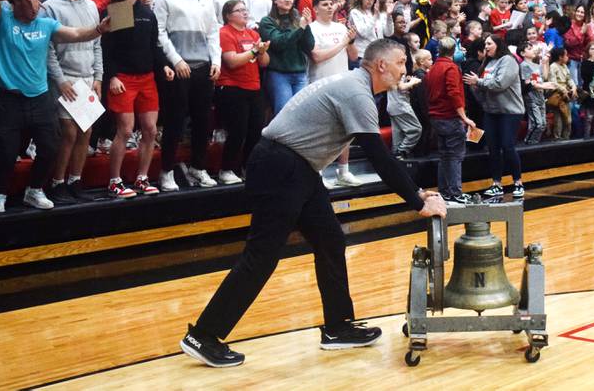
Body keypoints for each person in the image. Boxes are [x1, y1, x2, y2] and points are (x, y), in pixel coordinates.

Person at [180, 38, 447, 368]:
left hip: (298, 167)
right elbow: (379, 157)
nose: (404, 69)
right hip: (281, 165)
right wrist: (417, 200)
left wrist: (417, 194)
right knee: (261, 255)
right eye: (401, 63)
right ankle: (203, 335)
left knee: (330, 239)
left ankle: (337, 327)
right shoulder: (356, 91)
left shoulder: (355, 85)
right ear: (381, 65)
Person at [0, 0, 111, 213]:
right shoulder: (3, 21)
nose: (37, 8)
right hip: (10, 98)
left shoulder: (45, 24)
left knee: (50, 147)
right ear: (17, 2)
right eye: (33, 3)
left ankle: (35, 190)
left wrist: (99, 29)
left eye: (39, 3)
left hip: (40, 98)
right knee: (8, 151)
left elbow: (77, 33)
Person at [153, 0, 221, 192]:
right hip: (179, 68)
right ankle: (166, 171)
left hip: (203, 66)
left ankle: (198, 167)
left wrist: (217, 61)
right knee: (175, 121)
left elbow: (213, 32)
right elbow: (159, 32)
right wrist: (176, 60)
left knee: (203, 121)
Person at [106, 0, 174, 198]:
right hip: (124, 77)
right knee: (125, 130)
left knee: (151, 129)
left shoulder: (147, 11)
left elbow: (153, 44)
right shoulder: (119, 10)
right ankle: (114, 181)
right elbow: (111, 48)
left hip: (147, 78)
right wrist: (112, 76)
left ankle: (142, 178)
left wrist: (163, 64)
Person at [41, 0, 103, 203]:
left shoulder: (91, 5)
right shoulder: (50, 7)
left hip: (87, 77)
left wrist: (98, 76)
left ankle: (75, 180)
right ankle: (56, 182)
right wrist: (60, 79)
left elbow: (97, 43)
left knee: (86, 131)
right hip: (65, 77)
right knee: (68, 132)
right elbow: (47, 47)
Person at [307, 0, 361, 187]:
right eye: (325, 4)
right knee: (321, 130)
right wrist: (343, 42)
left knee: (346, 129)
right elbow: (317, 57)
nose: (330, 7)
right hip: (320, 83)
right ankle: (318, 173)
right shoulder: (311, 29)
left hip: (342, 82)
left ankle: (343, 171)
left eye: (331, 4)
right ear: (315, 8)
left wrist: (351, 41)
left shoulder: (341, 28)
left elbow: (353, 57)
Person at [463, 35, 525, 198]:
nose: (486, 46)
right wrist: (477, 90)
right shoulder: (487, 63)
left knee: (508, 145)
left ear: (498, 44)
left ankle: (517, 182)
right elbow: (478, 87)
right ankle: (496, 184)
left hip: (510, 111)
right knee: (493, 148)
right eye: (485, 44)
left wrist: (479, 83)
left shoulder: (508, 60)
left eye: (489, 43)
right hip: (491, 111)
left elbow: (500, 84)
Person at [215, 0, 269, 184]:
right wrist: (254, 52)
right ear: (228, 15)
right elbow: (231, 61)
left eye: (246, 9)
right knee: (237, 131)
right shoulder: (224, 33)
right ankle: (226, 169)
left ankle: (248, 167)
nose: (245, 13)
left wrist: (262, 51)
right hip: (232, 86)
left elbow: (265, 63)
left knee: (256, 131)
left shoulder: (253, 33)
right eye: (239, 10)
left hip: (254, 86)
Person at [427, 27, 474, 203]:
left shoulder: (432, 68)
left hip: (436, 118)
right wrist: (464, 117)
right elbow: (454, 93)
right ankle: (455, 193)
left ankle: (445, 192)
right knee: (455, 156)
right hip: (449, 117)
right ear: (454, 51)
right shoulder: (451, 68)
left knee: (444, 155)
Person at [258, 0, 313, 113]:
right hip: (279, 73)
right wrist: (300, 28)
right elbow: (278, 43)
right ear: (275, 0)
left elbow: (309, 45)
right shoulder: (267, 21)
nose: (288, 0)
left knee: (302, 112)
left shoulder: (298, 21)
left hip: (300, 73)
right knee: (284, 112)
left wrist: (306, 26)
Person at [544, 46, 576, 140]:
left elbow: (569, 79)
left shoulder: (565, 66)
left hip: (566, 95)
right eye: (566, 55)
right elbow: (553, 82)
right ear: (560, 57)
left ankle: (566, 137)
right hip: (558, 96)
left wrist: (573, 87)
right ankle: (557, 138)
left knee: (568, 119)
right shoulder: (553, 66)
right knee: (558, 119)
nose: (567, 57)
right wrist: (563, 89)